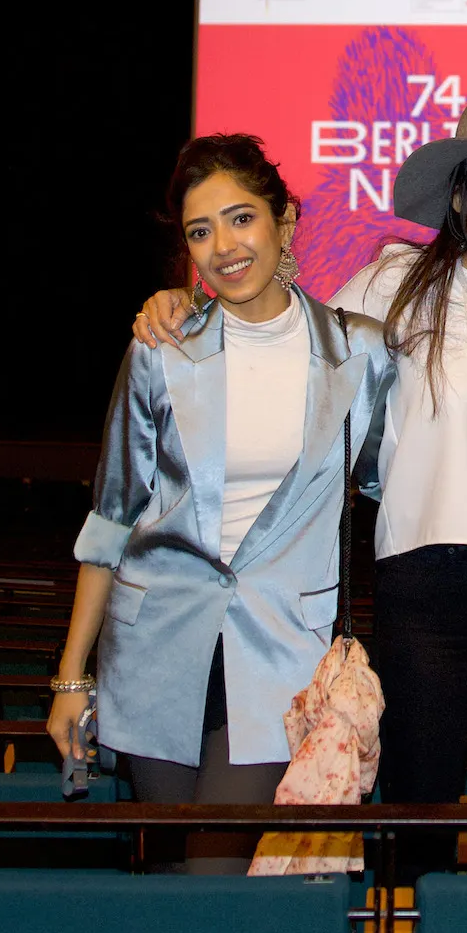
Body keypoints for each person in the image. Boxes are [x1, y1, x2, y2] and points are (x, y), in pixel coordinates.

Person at [134, 91, 467, 877]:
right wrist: (183, 304)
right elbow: (281, 331)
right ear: (460, 195)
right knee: (413, 824)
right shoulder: (396, 283)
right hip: (425, 592)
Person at [50, 133, 392, 873]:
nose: (223, 246)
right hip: (155, 652)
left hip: (279, 654)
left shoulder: (360, 352)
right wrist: (71, 677)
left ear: (285, 220)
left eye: (241, 219)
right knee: (172, 875)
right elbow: (111, 517)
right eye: (200, 231)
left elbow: (382, 486)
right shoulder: (160, 348)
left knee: (211, 871)